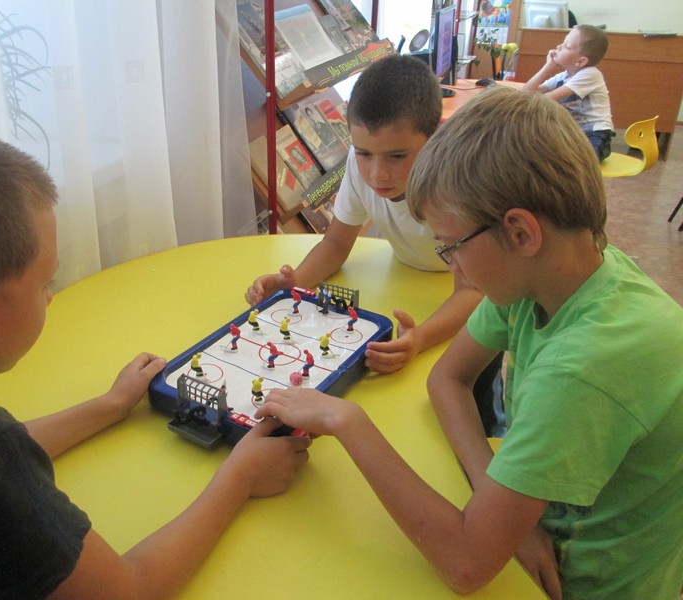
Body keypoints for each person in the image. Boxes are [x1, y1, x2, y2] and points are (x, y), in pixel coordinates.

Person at [255, 88, 683, 599]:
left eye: (451, 246)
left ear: (521, 233)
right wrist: (503, 506)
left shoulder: (583, 369)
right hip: (530, 530)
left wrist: (344, 419)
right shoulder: (554, 272)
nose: (451, 265)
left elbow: (465, 563)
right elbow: (448, 378)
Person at [0, 113, 310, 600]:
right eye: (44, 283)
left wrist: (109, 406)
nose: (50, 297)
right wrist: (239, 478)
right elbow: (128, 591)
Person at [245, 54, 502, 434]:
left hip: (474, 304)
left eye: (397, 156)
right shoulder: (358, 162)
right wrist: (295, 284)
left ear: (436, 137)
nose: (377, 174)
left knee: (474, 417)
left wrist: (421, 338)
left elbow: (476, 290)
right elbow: (336, 242)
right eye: (364, 153)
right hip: (406, 286)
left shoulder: (463, 179)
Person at [523, 24, 614, 161]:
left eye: (567, 46)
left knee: (574, 162)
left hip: (595, 135)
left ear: (581, 61)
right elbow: (524, 94)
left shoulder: (591, 74)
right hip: (572, 134)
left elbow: (543, 100)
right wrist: (548, 67)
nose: (559, 47)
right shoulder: (564, 76)